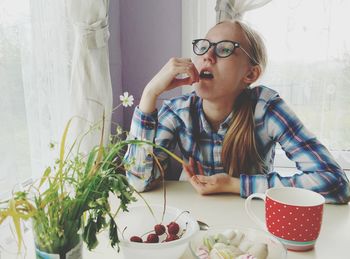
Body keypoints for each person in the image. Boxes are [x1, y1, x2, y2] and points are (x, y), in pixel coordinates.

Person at [124, 19, 350, 204]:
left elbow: (335, 183)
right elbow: (138, 182)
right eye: (203, 47)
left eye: (224, 49)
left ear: (250, 75)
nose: (207, 56)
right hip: (193, 217)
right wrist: (149, 94)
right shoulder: (177, 111)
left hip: (252, 219)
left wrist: (233, 185)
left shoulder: (266, 108)